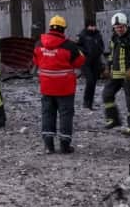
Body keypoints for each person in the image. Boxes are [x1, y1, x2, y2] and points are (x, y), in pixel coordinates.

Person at [33, 15, 86, 153]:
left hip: (46, 87)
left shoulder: (39, 44)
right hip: (65, 88)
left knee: (47, 114)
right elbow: (79, 61)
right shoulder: (69, 46)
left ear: (50, 27)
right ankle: (64, 145)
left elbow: (36, 61)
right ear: (63, 29)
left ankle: (48, 146)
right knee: (65, 114)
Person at [102, 12, 130, 136]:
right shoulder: (114, 37)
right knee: (106, 95)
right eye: (116, 27)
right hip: (116, 74)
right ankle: (113, 119)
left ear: (126, 25)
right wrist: (107, 67)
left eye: (121, 27)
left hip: (129, 75)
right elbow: (111, 54)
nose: (119, 29)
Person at [76, 19, 105, 109]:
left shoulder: (98, 35)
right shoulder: (83, 35)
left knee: (94, 82)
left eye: (94, 26)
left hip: (96, 62)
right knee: (90, 81)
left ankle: (90, 103)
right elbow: (78, 46)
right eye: (91, 26)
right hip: (86, 62)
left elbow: (101, 46)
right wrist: (85, 52)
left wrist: (100, 51)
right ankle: (86, 101)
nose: (93, 27)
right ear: (87, 26)